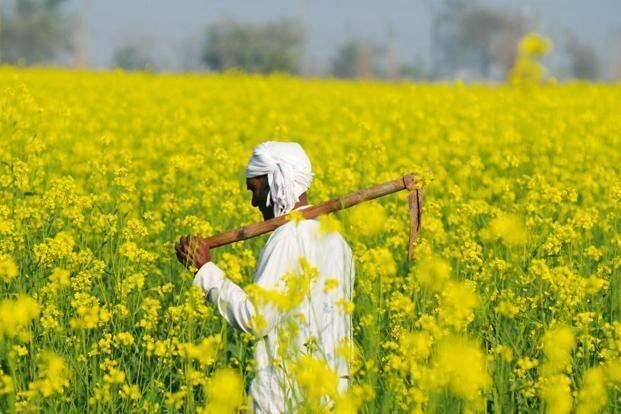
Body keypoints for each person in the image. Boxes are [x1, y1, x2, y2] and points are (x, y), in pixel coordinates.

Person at [175, 141, 355, 413]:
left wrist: (205, 271)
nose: (253, 201)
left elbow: (257, 319)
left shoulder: (288, 237)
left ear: (275, 180)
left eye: (254, 189)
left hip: (286, 391)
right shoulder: (337, 240)